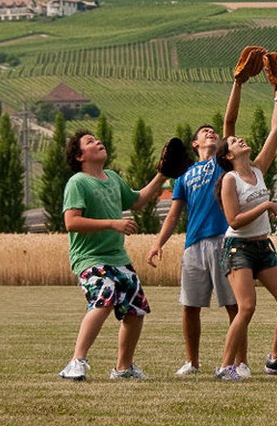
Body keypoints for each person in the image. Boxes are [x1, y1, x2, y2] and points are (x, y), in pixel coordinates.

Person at [145, 81, 250, 377]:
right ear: (194, 144)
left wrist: (237, 84)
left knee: (234, 304)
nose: (211, 132)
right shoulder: (185, 175)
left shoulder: (222, 162)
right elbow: (174, 214)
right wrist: (158, 243)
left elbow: (230, 120)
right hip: (193, 245)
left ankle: (239, 362)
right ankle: (192, 362)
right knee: (190, 306)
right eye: (205, 132)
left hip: (223, 240)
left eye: (213, 132)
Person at [59, 129, 168, 381]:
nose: (98, 141)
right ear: (79, 156)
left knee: (135, 310)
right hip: (90, 258)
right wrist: (112, 223)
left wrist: (162, 174)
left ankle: (123, 368)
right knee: (104, 298)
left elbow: (137, 200)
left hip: (118, 258)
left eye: (98, 139)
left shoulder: (112, 178)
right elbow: (71, 222)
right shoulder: (78, 182)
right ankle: (76, 361)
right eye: (90, 142)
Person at [213, 85, 277, 381]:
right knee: (247, 307)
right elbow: (234, 220)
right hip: (238, 248)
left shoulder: (258, 169)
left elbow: (275, 131)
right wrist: (264, 204)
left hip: (263, 246)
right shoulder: (229, 179)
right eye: (235, 141)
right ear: (227, 156)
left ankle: (275, 359)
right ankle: (226, 366)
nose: (240, 140)